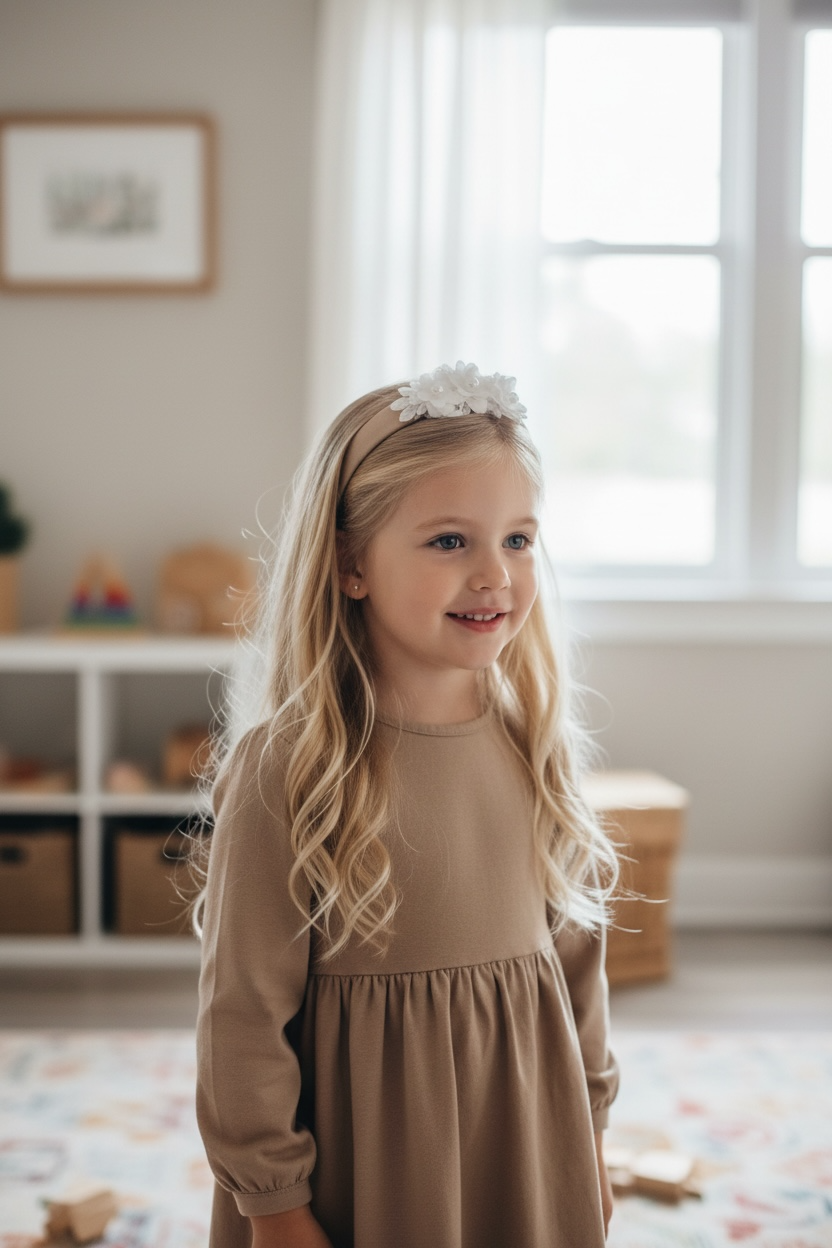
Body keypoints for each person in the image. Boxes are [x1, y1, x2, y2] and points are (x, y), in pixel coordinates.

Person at [195, 362, 620, 1248]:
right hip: (366, 1171)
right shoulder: (291, 769)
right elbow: (242, 1014)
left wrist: (590, 1128)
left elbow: (577, 961)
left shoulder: (533, 747)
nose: (495, 576)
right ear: (351, 564)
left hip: (522, 1145)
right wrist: (272, 1202)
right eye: (448, 542)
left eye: (517, 539)